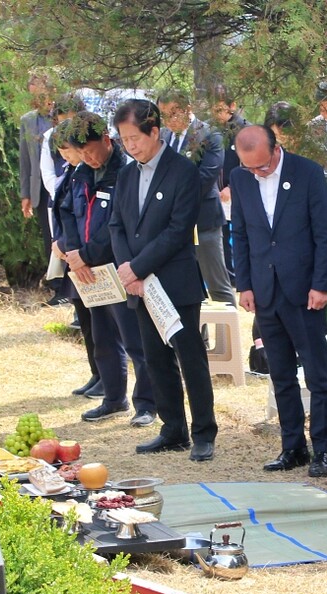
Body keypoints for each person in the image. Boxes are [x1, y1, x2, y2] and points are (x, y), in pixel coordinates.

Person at [108, 98, 217, 462]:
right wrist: (128, 269)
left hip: (174, 280)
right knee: (155, 359)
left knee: (190, 358)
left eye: (134, 137)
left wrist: (137, 267)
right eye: (123, 139)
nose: (130, 145)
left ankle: (204, 432)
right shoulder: (125, 174)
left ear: (154, 132)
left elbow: (178, 229)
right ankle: (173, 429)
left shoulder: (182, 170)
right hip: (138, 284)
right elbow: (117, 226)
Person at [231, 125, 327, 477]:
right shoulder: (241, 178)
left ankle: (323, 448)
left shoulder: (306, 172)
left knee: (317, 374)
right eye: (250, 168)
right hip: (265, 290)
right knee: (280, 373)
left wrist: (321, 284)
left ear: (277, 148)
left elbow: (324, 232)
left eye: (262, 166)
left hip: (304, 289)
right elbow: (241, 233)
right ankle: (293, 446)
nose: (257, 173)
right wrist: (244, 284)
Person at [56, 112, 156, 427]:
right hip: (88, 271)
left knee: (135, 339)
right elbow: (69, 213)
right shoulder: (81, 173)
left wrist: (85, 254)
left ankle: (147, 404)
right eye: (80, 154)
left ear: (106, 140)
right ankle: (114, 398)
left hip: (119, 266)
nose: (87, 158)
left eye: (91, 151)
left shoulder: (125, 172)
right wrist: (73, 252)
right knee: (102, 337)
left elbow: (119, 225)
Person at [45, 93, 102, 397]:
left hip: (88, 256)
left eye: (69, 151)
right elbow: (62, 210)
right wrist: (59, 242)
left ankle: (107, 377)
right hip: (71, 255)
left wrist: (71, 246)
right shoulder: (70, 173)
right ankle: (96, 373)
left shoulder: (90, 174)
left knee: (100, 323)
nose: (65, 157)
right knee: (85, 319)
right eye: (61, 152)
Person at [157, 88, 234, 305]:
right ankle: (199, 339)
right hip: (174, 224)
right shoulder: (163, 136)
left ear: (187, 108)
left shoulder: (209, 135)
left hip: (203, 219)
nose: (169, 119)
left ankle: (227, 338)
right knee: (188, 287)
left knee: (217, 285)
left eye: (174, 112)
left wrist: (172, 197)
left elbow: (206, 176)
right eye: (164, 114)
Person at [18, 71, 59, 263]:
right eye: (32, 96)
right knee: (49, 239)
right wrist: (25, 194)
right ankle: (55, 286)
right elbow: (25, 159)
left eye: (40, 95)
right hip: (41, 190)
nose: (36, 101)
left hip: (62, 184)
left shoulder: (63, 116)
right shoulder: (27, 120)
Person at [211, 83, 250, 281]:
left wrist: (232, 187)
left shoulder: (244, 129)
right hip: (217, 192)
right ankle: (229, 276)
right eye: (213, 110)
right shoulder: (211, 129)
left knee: (243, 233)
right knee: (223, 236)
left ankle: (244, 275)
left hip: (239, 192)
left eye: (220, 109)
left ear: (232, 106)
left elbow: (250, 163)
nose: (216, 114)